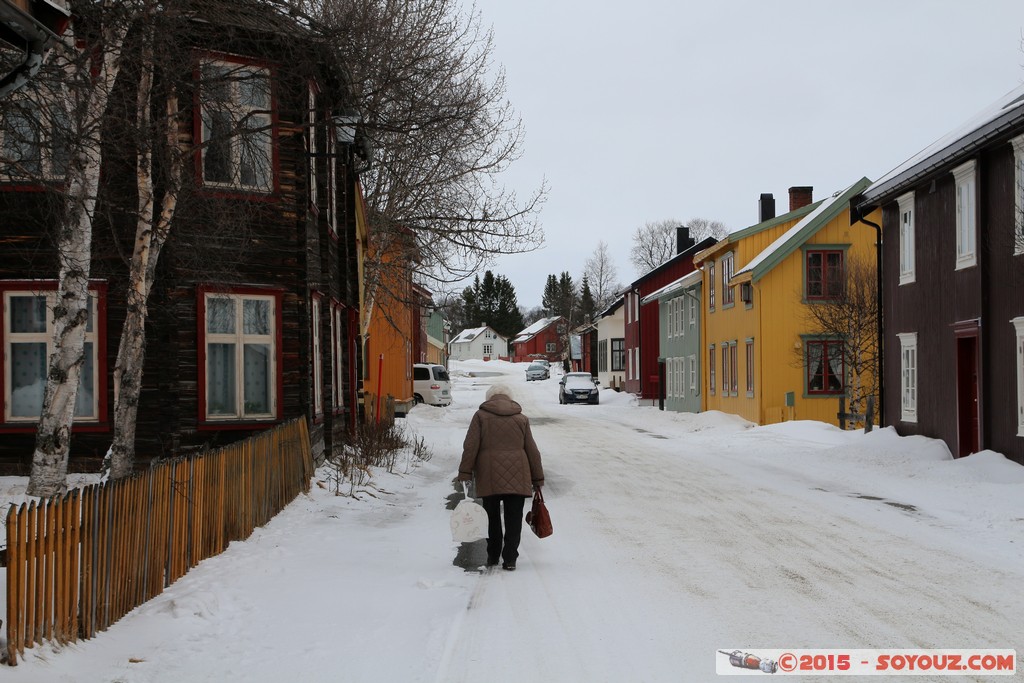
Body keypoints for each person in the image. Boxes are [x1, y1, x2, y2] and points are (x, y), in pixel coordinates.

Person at [458, 383, 544, 571]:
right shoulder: (521, 418)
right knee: (514, 518)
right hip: (518, 474)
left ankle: (493, 555)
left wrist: (465, 471)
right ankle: (510, 559)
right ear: (510, 398)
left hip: (488, 474)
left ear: (489, 398)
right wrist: (537, 478)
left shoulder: (480, 416)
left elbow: (471, 446)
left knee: (491, 517)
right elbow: (532, 450)